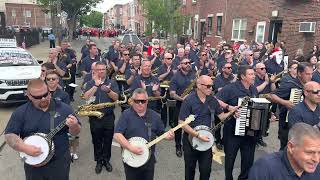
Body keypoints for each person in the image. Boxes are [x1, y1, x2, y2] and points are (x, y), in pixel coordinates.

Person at [4, 79, 81, 180]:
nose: (43, 98)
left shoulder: (64, 108)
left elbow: (76, 132)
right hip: (34, 164)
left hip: (59, 162)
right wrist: (24, 148)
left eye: (46, 94)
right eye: (38, 97)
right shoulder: (21, 112)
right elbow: (10, 135)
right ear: (29, 95)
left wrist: (74, 126)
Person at [179, 75, 237, 180]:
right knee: (190, 170)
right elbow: (182, 122)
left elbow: (222, 116)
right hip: (190, 140)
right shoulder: (189, 100)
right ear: (199, 85)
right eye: (208, 86)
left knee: (206, 171)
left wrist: (231, 112)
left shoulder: (212, 100)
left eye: (212, 86)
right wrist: (197, 134)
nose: (211, 88)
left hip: (206, 140)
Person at [114, 88, 174, 180]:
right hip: (131, 158)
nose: (140, 104)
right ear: (132, 101)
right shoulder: (126, 115)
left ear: (147, 101)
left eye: (143, 101)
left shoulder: (154, 116)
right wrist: (131, 148)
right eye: (137, 101)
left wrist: (168, 136)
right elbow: (117, 134)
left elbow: (161, 133)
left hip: (148, 160)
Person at [216, 65, 259, 180]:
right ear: (243, 76)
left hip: (249, 132)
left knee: (248, 161)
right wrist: (228, 107)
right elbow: (215, 99)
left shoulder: (253, 89)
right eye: (250, 74)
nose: (253, 76)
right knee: (230, 160)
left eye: (253, 74)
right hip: (232, 132)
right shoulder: (230, 88)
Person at [248, 123, 320, 180]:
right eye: (309, 152)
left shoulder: (317, 169)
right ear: (291, 147)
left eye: (319, 153)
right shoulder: (265, 169)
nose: (316, 159)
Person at [83, 62, 119, 174]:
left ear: (106, 70)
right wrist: (95, 86)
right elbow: (85, 97)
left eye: (103, 69)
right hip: (95, 117)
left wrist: (108, 90)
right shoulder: (89, 83)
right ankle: (99, 161)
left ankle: (106, 160)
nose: (101, 71)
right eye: (99, 69)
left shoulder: (112, 83)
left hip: (108, 116)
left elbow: (116, 97)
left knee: (108, 140)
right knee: (96, 140)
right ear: (95, 71)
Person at [269, 62, 313, 150]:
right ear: (299, 73)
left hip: (303, 125)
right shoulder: (290, 84)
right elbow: (271, 96)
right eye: (307, 74)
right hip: (287, 124)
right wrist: (285, 102)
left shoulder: (310, 86)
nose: (310, 76)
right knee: (286, 150)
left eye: (311, 74)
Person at [170, 58, 196, 157]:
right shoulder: (175, 78)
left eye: (189, 62)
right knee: (178, 127)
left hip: (193, 105)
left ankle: (190, 144)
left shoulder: (193, 75)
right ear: (180, 65)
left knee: (192, 125)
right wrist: (182, 99)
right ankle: (178, 146)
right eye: (185, 63)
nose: (188, 64)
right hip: (180, 105)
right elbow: (172, 94)